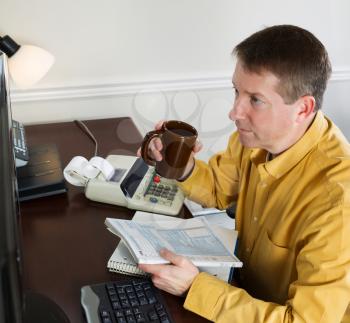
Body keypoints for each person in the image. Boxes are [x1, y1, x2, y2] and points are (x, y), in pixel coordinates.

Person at [137, 25, 350, 322]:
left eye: (255, 100)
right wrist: (180, 162)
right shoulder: (255, 138)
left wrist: (196, 288)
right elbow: (216, 188)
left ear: (303, 109)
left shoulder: (338, 203)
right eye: (237, 91)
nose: (234, 112)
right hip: (245, 296)